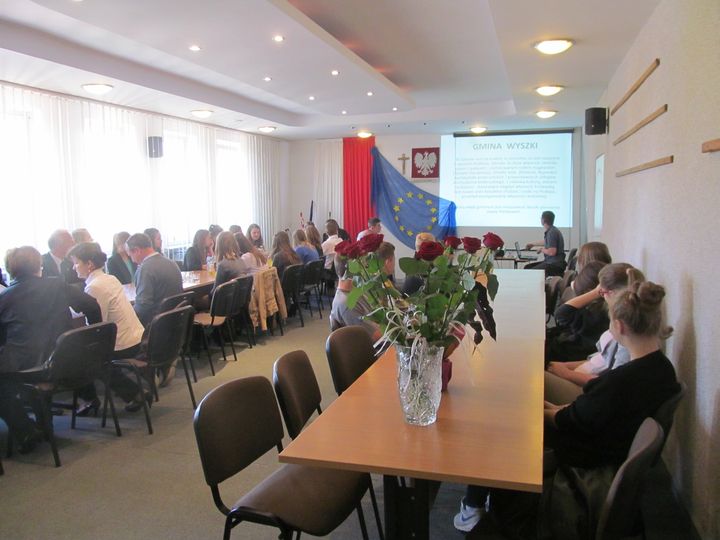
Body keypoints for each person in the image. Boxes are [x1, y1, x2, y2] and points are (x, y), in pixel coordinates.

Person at [455, 280, 679, 533]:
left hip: (584, 454)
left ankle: (477, 505)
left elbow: (569, 420)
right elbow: (584, 412)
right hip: (607, 442)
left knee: (498, 424)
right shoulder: (663, 370)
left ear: (619, 326)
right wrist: (544, 406)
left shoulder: (619, 383)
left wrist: (529, 411)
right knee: (512, 407)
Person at [0, 246, 101, 453]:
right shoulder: (57, 285)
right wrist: (93, 335)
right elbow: (91, 305)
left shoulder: (5, 298)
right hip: (67, 362)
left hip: (30, 367)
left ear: (11, 269)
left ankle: (25, 431)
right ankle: (42, 426)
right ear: (39, 265)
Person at [545, 263, 645, 403]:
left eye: (602, 292)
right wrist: (566, 367)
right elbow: (598, 360)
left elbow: (611, 384)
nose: (601, 296)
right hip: (580, 374)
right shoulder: (618, 321)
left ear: (611, 293)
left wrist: (566, 373)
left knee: (531, 377)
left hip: (589, 390)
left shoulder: (625, 330)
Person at [68, 242, 148, 413]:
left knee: (86, 359)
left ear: (89, 264)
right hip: (136, 335)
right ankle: (130, 393)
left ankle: (96, 399)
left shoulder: (94, 287)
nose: (74, 267)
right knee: (88, 355)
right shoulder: (109, 278)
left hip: (123, 343)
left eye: (76, 263)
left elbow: (98, 324)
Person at [545, 260, 609, 362]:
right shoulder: (599, 308)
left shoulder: (596, 314)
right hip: (568, 346)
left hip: (568, 355)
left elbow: (560, 314)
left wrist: (595, 293)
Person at [329, 241, 395, 339]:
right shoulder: (348, 304)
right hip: (376, 346)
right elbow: (377, 336)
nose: (366, 269)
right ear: (353, 270)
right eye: (364, 265)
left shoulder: (355, 292)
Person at [126, 233, 183, 327]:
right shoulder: (171, 263)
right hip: (175, 320)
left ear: (137, 250)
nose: (132, 261)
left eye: (131, 256)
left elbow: (142, 307)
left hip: (156, 325)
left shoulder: (145, 269)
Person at [524, 210, 566, 277]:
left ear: (543, 220)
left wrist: (541, 249)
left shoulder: (552, 233)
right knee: (527, 267)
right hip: (553, 262)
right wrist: (533, 244)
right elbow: (546, 241)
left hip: (554, 264)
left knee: (530, 272)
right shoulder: (552, 230)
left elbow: (552, 252)